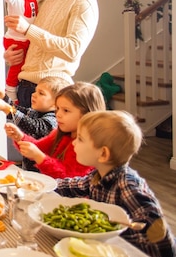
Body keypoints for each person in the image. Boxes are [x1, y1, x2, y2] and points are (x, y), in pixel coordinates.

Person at [57, 110, 176, 257]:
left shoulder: (128, 186)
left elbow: (160, 237)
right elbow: (73, 186)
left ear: (103, 154)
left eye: (80, 139)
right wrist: (45, 186)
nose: (74, 142)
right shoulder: (98, 176)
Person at [4, 0, 99, 108]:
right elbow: (34, 47)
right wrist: (8, 57)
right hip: (24, 88)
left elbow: (73, 50)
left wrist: (28, 29)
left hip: (52, 92)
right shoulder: (43, 1)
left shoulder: (83, 1)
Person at [5, 82, 105, 179]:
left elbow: (67, 177)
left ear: (87, 115)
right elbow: (39, 147)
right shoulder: (60, 133)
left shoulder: (87, 146)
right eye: (57, 109)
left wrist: (39, 156)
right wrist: (20, 137)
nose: (58, 114)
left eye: (66, 110)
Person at [0, 76, 68, 171]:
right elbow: (17, 109)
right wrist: (2, 95)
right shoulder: (36, 112)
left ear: (55, 104)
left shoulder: (54, 119)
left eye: (41, 93)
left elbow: (36, 126)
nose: (34, 94)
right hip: (29, 166)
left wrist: (7, 110)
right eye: (35, 91)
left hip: (44, 172)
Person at [1, 0, 50, 102]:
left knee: (24, 62)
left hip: (28, 37)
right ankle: (10, 90)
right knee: (17, 65)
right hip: (15, 39)